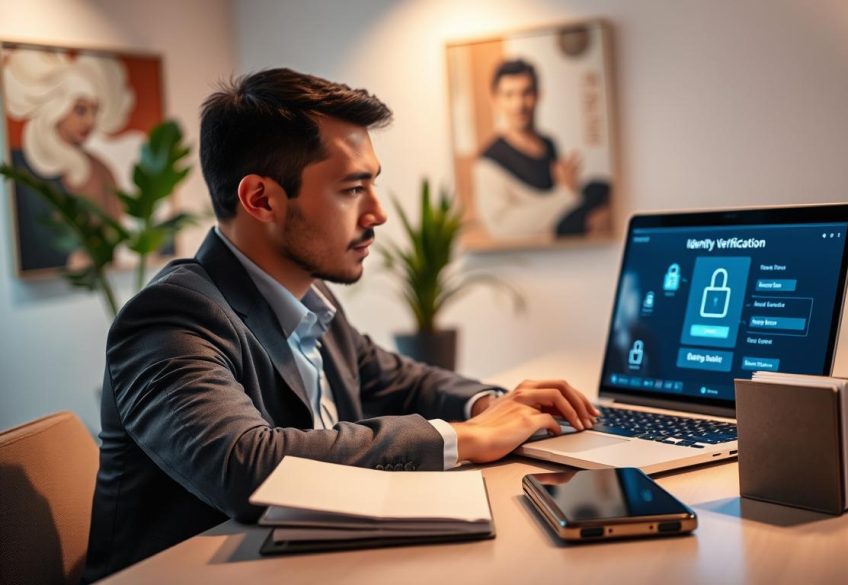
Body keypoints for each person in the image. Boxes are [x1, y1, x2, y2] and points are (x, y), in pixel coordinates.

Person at [82, 68, 598, 582]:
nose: (378, 213)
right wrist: (462, 437)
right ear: (261, 199)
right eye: (353, 189)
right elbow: (246, 466)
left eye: (373, 184)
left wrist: (492, 405)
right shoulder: (170, 317)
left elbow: (402, 379)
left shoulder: (309, 296)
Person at [3, 48, 134, 271]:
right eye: (81, 110)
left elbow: (114, 233)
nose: (90, 121)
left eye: (95, 110)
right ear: (57, 108)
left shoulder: (101, 170)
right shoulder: (22, 169)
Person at [473, 58, 610, 240]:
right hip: (535, 249)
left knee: (600, 188)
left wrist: (570, 191)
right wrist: (565, 195)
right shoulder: (488, 162)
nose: (519, 104)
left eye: (526, 93)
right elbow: (502, 228)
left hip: (562, 238)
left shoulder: (549, 143)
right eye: (509, 95)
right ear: (496, 100)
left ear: (538, 95)